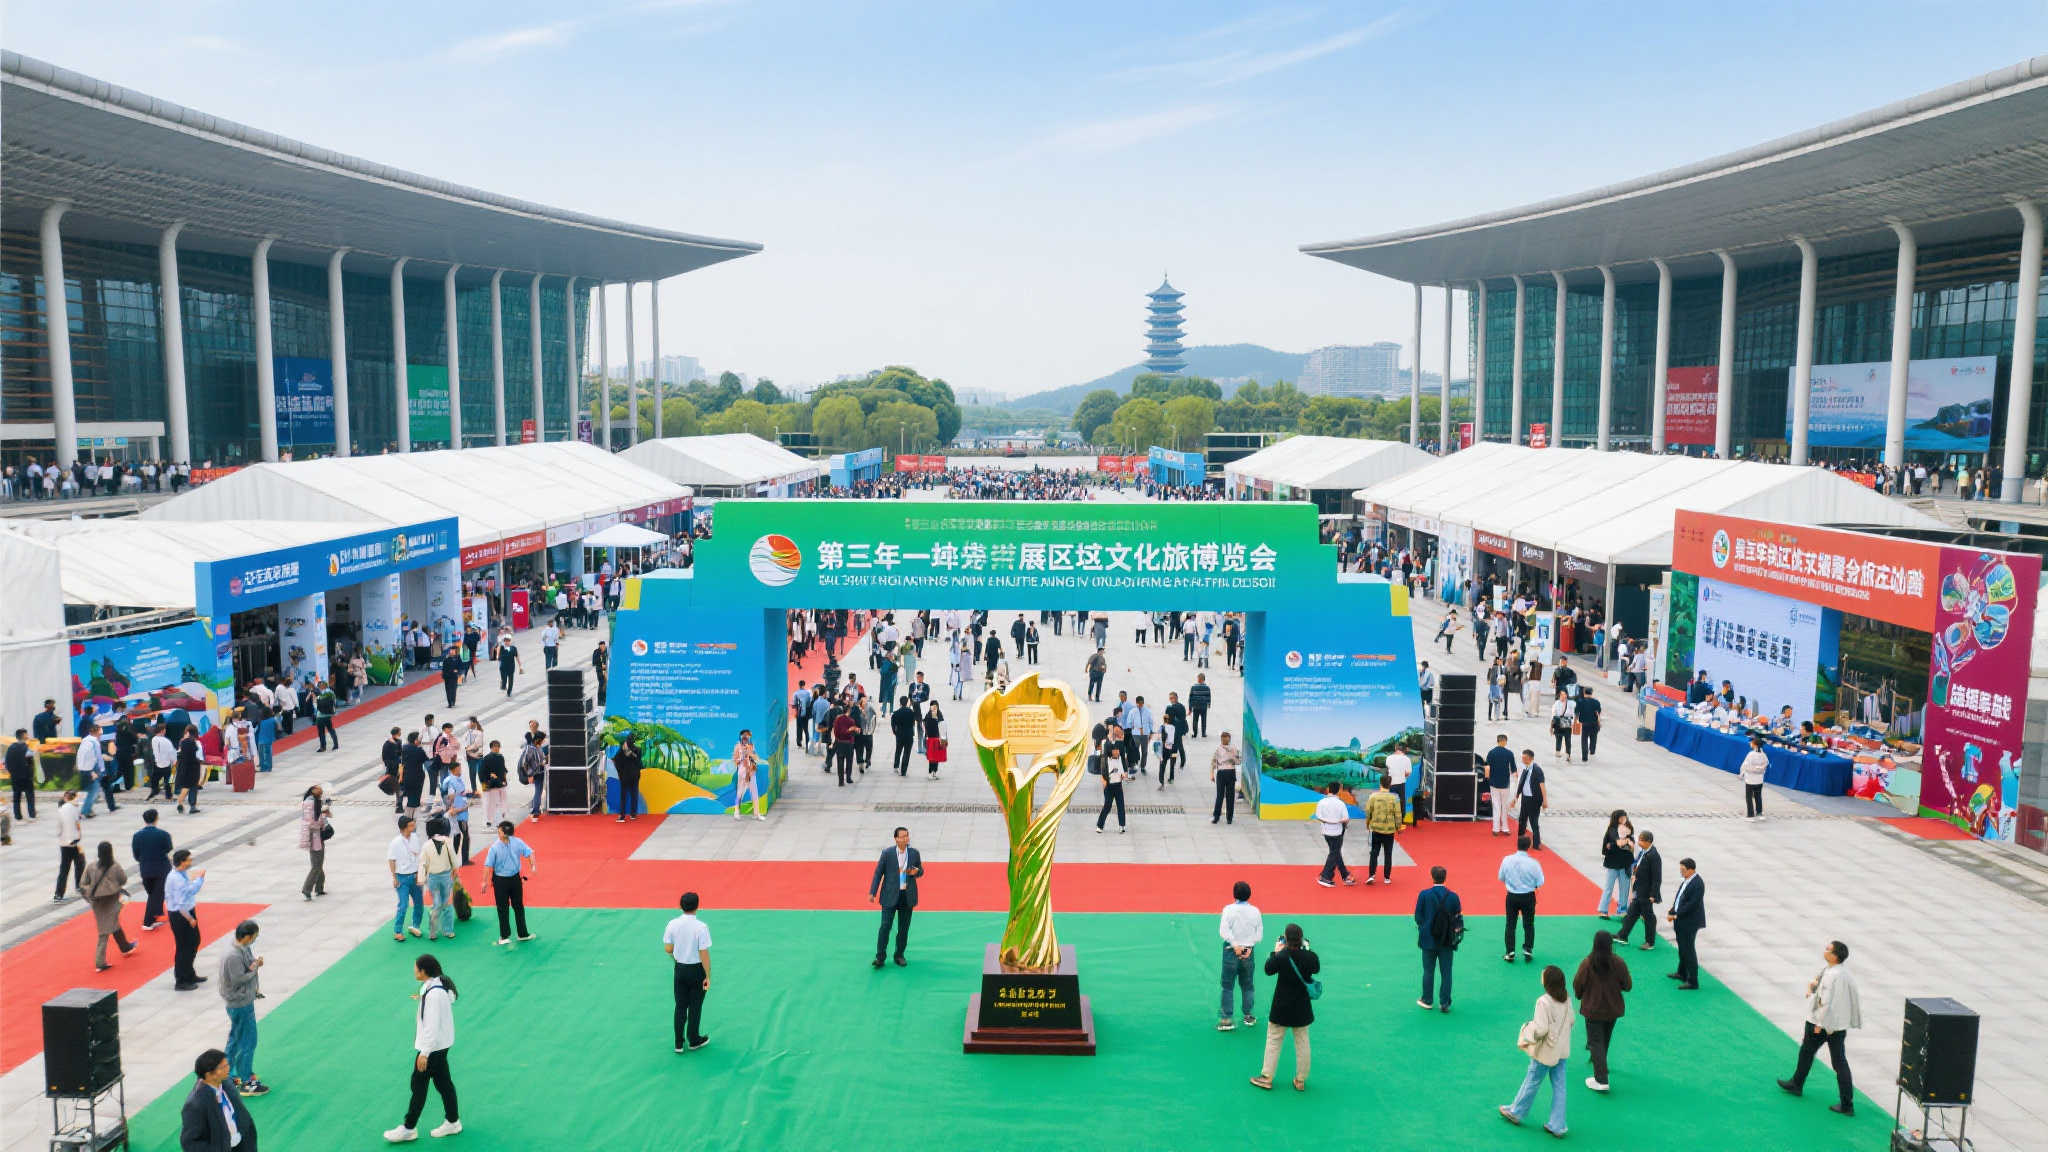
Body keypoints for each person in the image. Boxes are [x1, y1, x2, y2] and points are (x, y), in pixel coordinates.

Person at [1777, 940, 1863, 1117]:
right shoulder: (1842, 973)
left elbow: (1826, 1001)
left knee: (1807, 1052)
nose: (1825, 951)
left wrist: (1819, 1023)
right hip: (1837, 1026)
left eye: (1828, 949)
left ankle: (1797, 1084)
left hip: (1822, 1024)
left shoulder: (1832, 975)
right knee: (1838, 1061)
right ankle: (1846, 1103)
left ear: (1835, 956)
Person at [383, 954, 461, 1141]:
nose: (414, 970)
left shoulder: (434, 995)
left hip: (432, 1049)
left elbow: (431, 1027)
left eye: (416, 968)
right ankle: (453, 1121)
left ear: (423, 971)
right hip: (441, 1046)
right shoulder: (436, 987)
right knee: (444, 1084)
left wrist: (424, 1053)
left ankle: (409, 1128)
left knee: (419, 1086)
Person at [1499, 964, 1574, 1137]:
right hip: (1561, 1050)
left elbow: (1541, 1029)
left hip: (1546, 1052)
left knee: (1532, 1079)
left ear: (1547, 982)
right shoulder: (1566, 999)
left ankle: (1516, 1112)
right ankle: (1558, 1124)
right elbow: (1571, 1020)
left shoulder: (1543, 1001)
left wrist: (1526, 1030)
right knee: (1560, 1086)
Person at [1249, 923, 1318, 1092]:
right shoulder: (1309, 957)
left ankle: (1267, 1077)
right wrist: (1307, 950)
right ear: (1301, 938)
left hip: (1281, 1007)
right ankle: (1300, 1080)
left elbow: (1268, 969)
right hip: (1302, 1008)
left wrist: (1275, 952)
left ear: (1286, 939)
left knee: (1274, 1041)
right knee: (1303, 1043)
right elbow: (1315, 967)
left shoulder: (1281, 956)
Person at [1573, 930, 1632, 1092]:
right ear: (1610, 945)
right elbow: (1627, 985)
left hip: (1593, 1009)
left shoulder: (1587, 963)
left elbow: (1578, 984)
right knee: (1604, 1038)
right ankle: (1600, 1063)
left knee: (1595, 1041)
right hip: (1613, 1009)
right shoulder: (1618, 962)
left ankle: (1601, 1079)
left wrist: (1580, 996)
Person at [219, 919, 268, 1095]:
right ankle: (246, 1080)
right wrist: (255, 969)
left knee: (236, 1038)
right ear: (246, 936)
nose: (255, 939)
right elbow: (239, 978)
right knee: (248, 1040)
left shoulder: (242, 948)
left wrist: (254, 965)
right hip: (240, 1002)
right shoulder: (233, 955)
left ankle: (227, 1075)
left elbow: (248, 965)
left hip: (242, 1000)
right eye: (254, 936)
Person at [663, 892, 714, 1052]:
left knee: (680, 1006)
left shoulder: (672, 924)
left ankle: (678, 1043)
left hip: (680, 970)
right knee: (695, 1006)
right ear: (697, 906)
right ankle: (694, 1040)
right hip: (697, 971)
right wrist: (707, 975)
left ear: (680, 906)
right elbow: (703, 953)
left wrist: (677, 959)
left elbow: (668, 948)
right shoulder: (701, 927)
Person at [181, 1049, 258, 1152]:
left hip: (243, 1144)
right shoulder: (195, 1104)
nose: (228, 1068)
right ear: (209, 1074)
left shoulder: (226, 1082)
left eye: (227, 1064)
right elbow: (190, 1143)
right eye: (223, 1067)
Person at [868, 825, 923, 967]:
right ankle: (880, 957)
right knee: (885, 926)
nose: (906, 838)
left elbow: (921, 871)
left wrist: (915, 872)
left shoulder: (914, 853)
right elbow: (878, 873)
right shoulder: (887, 853)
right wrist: (873, 892)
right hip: (889, 896)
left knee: (903, 929)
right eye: (902, 836)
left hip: (907, 896)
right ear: (896, 839)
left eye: (907, 836)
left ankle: (899, 955)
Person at [81, 841, 138, 971]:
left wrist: (91, 894)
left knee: (111, 923)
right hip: (112, 900)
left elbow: (83, 884)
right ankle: (100, 962)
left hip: (97, 902)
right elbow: (123, 879)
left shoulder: (91, 867)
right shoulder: (115, 866)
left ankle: (125, 947)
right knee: (105, 931)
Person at [1414, 865, 1462, 1013]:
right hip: (1446, 940)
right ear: (1445, 878)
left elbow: (1418, 917)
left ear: (1432, 877)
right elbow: (1457, 917)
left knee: (1428, 971)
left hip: (1428, 940)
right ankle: (1445, 1002)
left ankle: (1427, 1000)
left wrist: (1424, 927)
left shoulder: (1424, 895)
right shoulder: (1453, 896)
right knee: (1446, 972)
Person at [1217, 880, 1263, 1030]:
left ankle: (1226, 1020)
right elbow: (1258, 935)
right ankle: (1248, 1016)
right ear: (1249, 895)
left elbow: (1224, 931)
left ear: (1234, 894)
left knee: (1227, 986)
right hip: (1248, 952)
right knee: (1248, 985)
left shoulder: (1228, 910)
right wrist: (1248, 947)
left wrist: (1235, 945)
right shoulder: (1255, 911)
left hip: (1231, 951)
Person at [485, 820, 537, 946]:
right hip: (506, 880)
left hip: (509, 880)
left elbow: (530, 852)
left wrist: (533, 866)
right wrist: (484, 881)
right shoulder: (500, 846)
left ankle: (515, 935)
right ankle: (512, 935)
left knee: (512, 907)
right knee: (510, 907)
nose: (498, 832)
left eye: (499, 830)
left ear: (504, 833)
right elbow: (488, 865)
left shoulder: (510, 844)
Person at [1613, 830, 1663, 951]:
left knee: (1649, 917)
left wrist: (1653, 894)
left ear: (1648, 842)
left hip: (1646, 893)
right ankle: (1622, 935)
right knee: (1632, 914)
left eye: (1641, 840)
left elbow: (1657, 877)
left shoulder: (1654, 856)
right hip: (1639, 890)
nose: (1638, 842)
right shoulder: (1643, 852)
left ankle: (1650, 942)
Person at [1499, 834, 1545, 963]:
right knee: (1529, 924)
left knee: (1510, 924)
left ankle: (1510, 952)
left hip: (1512, 896)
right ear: (1528, 847)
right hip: (1528, 897)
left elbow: (1501, 877)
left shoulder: (1507, 860)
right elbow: (1540, 882)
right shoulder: (1534, 863)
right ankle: (1528, 949)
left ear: (1517, 845)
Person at [167, 849, 208, 990]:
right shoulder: (176, 879)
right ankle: (181, 979)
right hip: (181, 914)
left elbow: (188, 887)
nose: (191, 862)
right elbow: (181, 902)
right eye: (189, 860)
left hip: (186, 911)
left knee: (194, 941)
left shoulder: (180, 873)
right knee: (184, 946)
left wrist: (195, 879)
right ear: (182, 862)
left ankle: (189, 973)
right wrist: (190, 918)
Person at [1666, 857, 1706, 989]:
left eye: (1683, 870)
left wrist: (1676, 915)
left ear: (1691, 870)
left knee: (1688, 951)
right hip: (1681, 921)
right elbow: (1680, 898)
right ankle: (1682, 973)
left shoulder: (1697, 884)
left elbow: (1692, 905)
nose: (1681, 872)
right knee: (1683, 948)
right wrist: (1673, 910)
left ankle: (1693, 981)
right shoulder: (1687, 880)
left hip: (1689, 922)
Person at [387, 814, 425, 942]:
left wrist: (420, 874)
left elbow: (418, 856)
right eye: (411, 825)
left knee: (419, 903)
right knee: (403, 905)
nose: (414, 826)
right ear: (404, 828)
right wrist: (394, 878)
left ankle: (415, 926)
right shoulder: (395, 843)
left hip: (415, 876)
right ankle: (398, 931)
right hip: (402, 878)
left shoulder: (415, 838)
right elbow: (391, 860)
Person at [133, 808, 174, 929]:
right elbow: (168, 848)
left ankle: (154, 916)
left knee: (153, 894)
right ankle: (148, 922)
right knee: (156, 895)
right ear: (156, 818)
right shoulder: (163, 834)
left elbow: (136, 854)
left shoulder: (137, 836)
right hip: (161, 868)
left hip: (145, 869)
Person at [421, 816, 459, 941]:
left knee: (436, 904)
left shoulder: (426, 845)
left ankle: (432, 931)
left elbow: (423, 863)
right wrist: (455, 869)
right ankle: (448, 931)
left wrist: (422, 878)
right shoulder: (448, 841)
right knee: (446, 903)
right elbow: (453, 857)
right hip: (446, 876)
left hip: (432, 877)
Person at [1314, 782, 1355, 887]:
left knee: (1335, 852)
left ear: (1328, 789)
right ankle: (1325, 876)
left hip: (1326, 831)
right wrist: (1337, 822)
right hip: (1337, 832)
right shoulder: (1340, 804)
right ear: (1338, 790)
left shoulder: (1321, 802)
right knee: (1334, 853)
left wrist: (1327, 821)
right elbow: (1346, 819)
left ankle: (1345, 875)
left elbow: (1318, 816)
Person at [1596, 810, 1634, 919]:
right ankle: (1603, 910)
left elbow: (1631, 845)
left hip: (1625, 864)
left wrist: (1625, 842)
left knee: (1624, 889)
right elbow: (1620, 843)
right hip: (1613, 864)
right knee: (1608, 887)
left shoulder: (1629, 828)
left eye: (1624, 817)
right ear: (1616, 818)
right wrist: (1626, 841)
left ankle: (1622, 911)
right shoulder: (1612, 830)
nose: (1623, 819)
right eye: (1621, 818)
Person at [1364, 776, 1402, 884]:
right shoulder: (1394, 798)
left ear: (1380, 783)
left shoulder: (1373, 796)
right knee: (1388, 854)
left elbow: (1368, 811)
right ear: (1390, 784)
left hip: (1376, 829)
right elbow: (1398, 814)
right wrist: (1398, 827)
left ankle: (1371, 875)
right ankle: (1387, 878)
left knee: (1374, 853)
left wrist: (1368, 823)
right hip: (1389, 830)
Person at [298, 784, 330, 900]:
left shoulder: (311, 802)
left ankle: (319, 888)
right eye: (319, 791)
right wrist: (323, 819)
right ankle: (307, 889)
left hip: (314, 836)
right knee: (316, 865)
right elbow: (312, 822)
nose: (321, 793)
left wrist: (325, 809)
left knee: (318, 862)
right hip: (315, 837)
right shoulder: (312, 804)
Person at [54, 790, 84, 901]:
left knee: (64, 869)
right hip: (75, 843)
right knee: (80, 863)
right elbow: (77, 825)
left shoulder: (61, 810)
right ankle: (79, 886)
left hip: (64, 843)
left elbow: (58, 830)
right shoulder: (75, 809)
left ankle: (58, 894)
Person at [1515, 749, 1547, 850]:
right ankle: (1520, 840)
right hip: (1525, 798)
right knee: (1522, 819)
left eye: (1525, 758)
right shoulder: (1526, 768)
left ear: (1531, 758)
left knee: (1534, 822)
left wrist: (1545, 800)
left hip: (1534, 800)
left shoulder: (1537, 770)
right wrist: (1516, 796)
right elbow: (1521, 783)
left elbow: (1542, 785)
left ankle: (1536, 843)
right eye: (1522, 758)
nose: (1523, 760)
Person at [1096, 737, 1129, 833]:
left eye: (1118, 750)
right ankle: (1099, 825)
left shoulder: (1120, 759)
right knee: (1107, 806)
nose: (1117, 752)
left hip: (1118, 786)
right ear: (1111, 751)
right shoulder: (1106, 760)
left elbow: (1122, 772)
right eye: (1115, 750)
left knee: (1121, 806)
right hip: (1109, 787)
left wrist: (1124, 776)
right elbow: (1103, 772)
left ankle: (1122, 826)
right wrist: (1104, 782)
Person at [1484, 735, 1516, 836]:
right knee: (1504, 806)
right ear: (1505, 741)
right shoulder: (1509, 753)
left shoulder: (1491, 752)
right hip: (1505, 783)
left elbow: (1487, 768)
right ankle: (1505, 828)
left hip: (1494, 783)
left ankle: (1496, 829)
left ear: (1497, 741)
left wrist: (1487, 779)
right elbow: (1513, 769)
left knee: (1496, 806)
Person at [1210, 731, 1243, 824]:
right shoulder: (1218, 749)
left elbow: (1239, 761)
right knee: (1220, 796)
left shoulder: (1234, 749)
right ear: (1221, 739)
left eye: (1226, 739)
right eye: (1223, 739)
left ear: (1229, 739)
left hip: (1230, 772)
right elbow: (1213, 762)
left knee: (1229, 796)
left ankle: (1229, 818)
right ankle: (1217, 816)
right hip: (1222, 773)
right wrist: (1211, 774)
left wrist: (1233, 757)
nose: (1225, 740)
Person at [475, 740, 508, 830]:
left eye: (498, 746)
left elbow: (503, 770)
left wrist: (504, 780)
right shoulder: (486, 758)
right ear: (491, 747)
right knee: (492, 804)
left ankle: (494, 821)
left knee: (500, 803)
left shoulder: (501, 757)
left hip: (500, 784)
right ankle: (492, 821)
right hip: (492, 785)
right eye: (494, 746)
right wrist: (486, 781)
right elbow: (481, 772)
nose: (497, 748)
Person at [731, 730, 764, 819]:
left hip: (751, 772)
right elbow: (734, 760)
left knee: (754, 792)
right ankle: (736, 811)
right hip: (742, 772)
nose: (746, 737)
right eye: (744, 735)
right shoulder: (737, 747)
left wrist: (750, 754)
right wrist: (741, 758)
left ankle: (757, 813)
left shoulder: (751, 746)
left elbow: (757, 758)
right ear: (741, 737)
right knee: (740, 792)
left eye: (748, 736)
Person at [613, 737, 645, 822]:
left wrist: (620, 773)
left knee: (623, 796)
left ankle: (622, 816)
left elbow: (616, 761)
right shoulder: (638, 750)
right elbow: (639, 763)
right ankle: (633, 815)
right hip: (635, 776)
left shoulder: (622, 750)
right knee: (634, 794)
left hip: (625, 776)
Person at [8, 727, 37, 820]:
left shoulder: (10, 748)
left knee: (16, 797)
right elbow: (30, 762)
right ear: (24, 736)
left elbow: (7, 762)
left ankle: (17, 816)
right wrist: (31, 774)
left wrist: (12, 773)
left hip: (15, 777)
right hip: (26, 777)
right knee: (30, 797)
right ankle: (32, 814)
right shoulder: (27, 748)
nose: (27, 736)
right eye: (26, 734)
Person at [1741, 736, 1769, 820]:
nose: (1750, 743)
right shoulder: (1764, 755)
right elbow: (1766, 764)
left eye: (1751, 742)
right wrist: (1759, 769)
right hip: (1759, 779)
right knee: (1758, 796)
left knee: (1749, 797)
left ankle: (1750, 815)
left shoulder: (1751, 754)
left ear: (1755, 745)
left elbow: (1745, 765)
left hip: (1750, 779)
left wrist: (1742, 773)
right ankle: (1759, 813)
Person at [890, 696, 918, 777]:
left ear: (900, 703)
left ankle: (896, 765)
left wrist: (895, 732)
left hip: (900, 735)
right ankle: (903, 771)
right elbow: (913, 722)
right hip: (909, 735)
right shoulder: (911, 712)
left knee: (898, 750)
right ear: (907, 702)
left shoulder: (896, 713)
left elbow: (893, 724)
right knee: (907, 753)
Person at [922, 701, 948, 778]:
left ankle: (934, 772)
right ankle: (931, 772)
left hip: (936, 739)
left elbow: (943, 727)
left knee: (935, 756)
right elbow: (926, 726)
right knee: (933, 757)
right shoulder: (930, 715)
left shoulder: (938, 714)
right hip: (932, 739)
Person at [1575, 689, 1602, 759]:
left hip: (1585, 723)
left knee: (1584, 739)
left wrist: (1576, 721)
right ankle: (1592, 751)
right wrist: (1599, 723)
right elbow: (1598, 713)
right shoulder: (1596, 702)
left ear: (1584, 693)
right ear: (1592, 693)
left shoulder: (1580, 701)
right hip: (1594, 723)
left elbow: (1577, 712)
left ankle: (1584, 756)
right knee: (1594, 737)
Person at [1550, 692, 1576, 762]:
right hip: (1558, 723)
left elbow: (1573, 713)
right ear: (1559, 696)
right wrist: (1551, 726)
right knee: (1558, 738)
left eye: (1564, 695)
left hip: (1567, 723)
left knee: (1568, 740)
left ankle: (1568, 754)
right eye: (1561, 695)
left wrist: (1573, 723)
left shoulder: (1571, 703)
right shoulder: (1556, 703)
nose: (1563, 696)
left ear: (1567, 695)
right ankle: (1558, 751)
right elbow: (1553, 714)